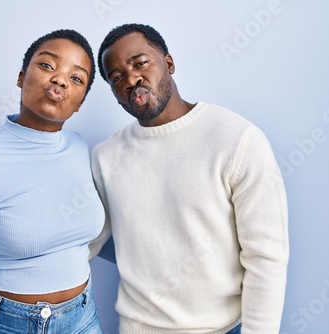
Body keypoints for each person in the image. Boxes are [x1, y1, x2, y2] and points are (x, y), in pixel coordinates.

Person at [88, 23, 289, 334]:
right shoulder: (106, 157)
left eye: (140, 63)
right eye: (116, 78)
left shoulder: (237, 139)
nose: (131, 79)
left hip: (222, 328)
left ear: (169, 63)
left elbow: (267, 258)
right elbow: (83, 241)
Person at [0, 29, 105, 334]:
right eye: (47, 66)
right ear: (21, 76)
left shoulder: (80, 148)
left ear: (79, 103)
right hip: (9, 324)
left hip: (83, 318)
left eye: (76, 78)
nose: (60, 80)